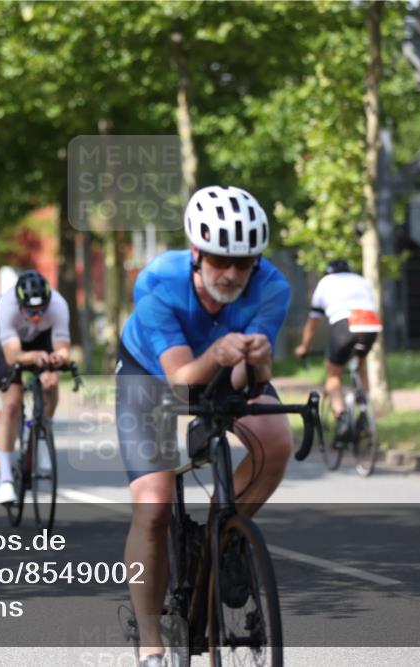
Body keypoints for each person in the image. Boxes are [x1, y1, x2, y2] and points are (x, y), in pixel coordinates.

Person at [115, 185, 291, 665]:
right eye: (220, 260)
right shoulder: (158, 283)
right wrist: (216, 353)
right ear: (196, 252)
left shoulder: (272, 286)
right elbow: (181, 385)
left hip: (219, 368)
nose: (233, 274)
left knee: (275, 439)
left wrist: (258, 365)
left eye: (244, 262)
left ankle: (221, 535)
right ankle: (151, 646)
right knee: (153, 504)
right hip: (152, 373)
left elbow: (243, 382)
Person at [0, 270, 71, 504]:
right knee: (13, 404)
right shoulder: (5, 306)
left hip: (42, 339)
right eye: (31, 312)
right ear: (20, 305)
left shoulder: (58, 305)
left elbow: (63, 348)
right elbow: (12, 355)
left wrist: (54, 363)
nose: (36, 316)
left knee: (51, 387)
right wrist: (35, 357)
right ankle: (5, 478)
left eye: (41, 311)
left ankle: (43, 434)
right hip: (11, 344)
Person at [294, 259, 382, 441]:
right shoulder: (360, 280)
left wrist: (304, 347)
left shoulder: (325, 282)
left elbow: (313, 323)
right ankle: (365, 410)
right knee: (360, 366)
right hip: (370, 324)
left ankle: (341, 417)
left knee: (333, 375)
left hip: (344, 325)